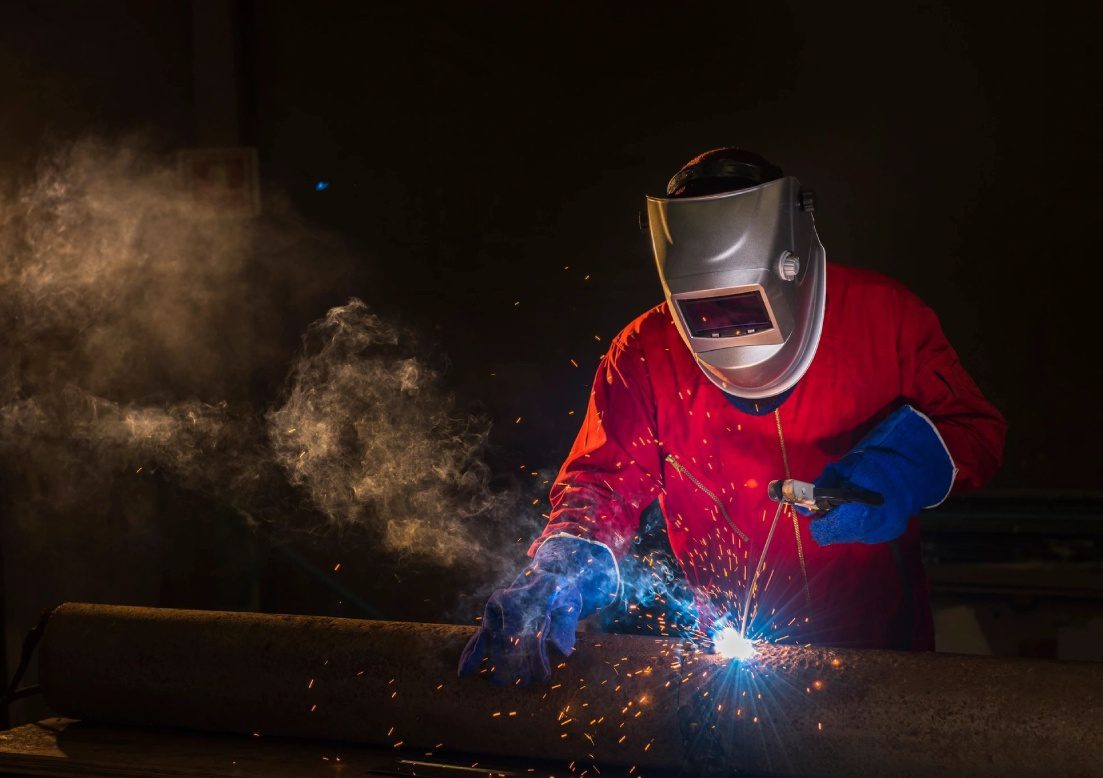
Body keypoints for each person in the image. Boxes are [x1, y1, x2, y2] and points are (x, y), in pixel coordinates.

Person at [458, 147, 1006, 686]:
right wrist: (565, 560)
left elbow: (975, 431)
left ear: (787, 265)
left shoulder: (885, 317)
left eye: (742, 305)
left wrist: (904, 468)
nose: (726, 330)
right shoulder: (646, 352)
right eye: (703, 311)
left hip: (881, 653)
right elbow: (602, 484)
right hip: (728, 659)